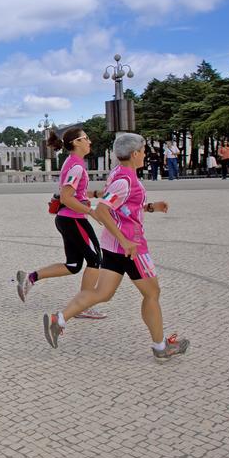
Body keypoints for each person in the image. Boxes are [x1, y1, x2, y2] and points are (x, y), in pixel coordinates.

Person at [43, 132, 189, 361]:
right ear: (134, 154)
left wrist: (151, 207)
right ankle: (161, 347)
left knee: (102, 293)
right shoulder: (125, 180)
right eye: (143, 151)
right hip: (131, 247)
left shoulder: (119, 174)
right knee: (152, 293)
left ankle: (58, 320)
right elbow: (102, 209)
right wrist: (125, 240)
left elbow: (123, 206)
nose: (144, 155)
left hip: (114, 245)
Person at [15, 126, 107, 320]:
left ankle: (31, 277)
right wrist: (91, 211)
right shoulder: (76, 166)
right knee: (96, 259)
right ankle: (83, 306)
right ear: (76, 143)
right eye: (86, 138)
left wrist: (97, 194)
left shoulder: (73, 163)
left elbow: (75, 193)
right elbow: (66, 197)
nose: (90, 141)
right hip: (73, 220)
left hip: (67, 219)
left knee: (73, 265)